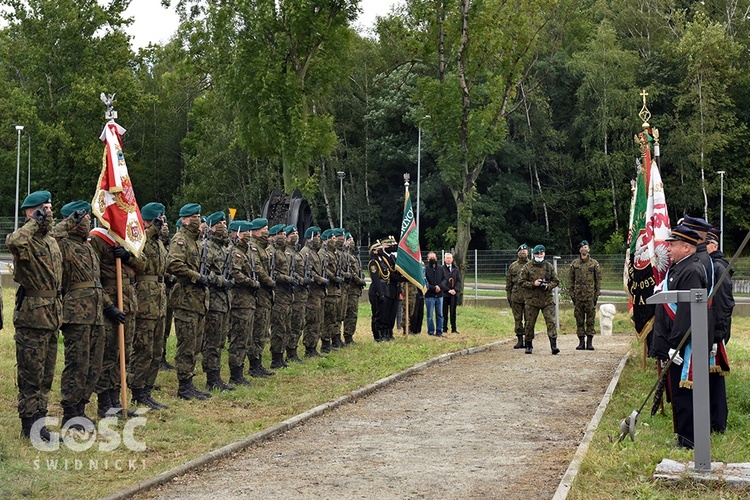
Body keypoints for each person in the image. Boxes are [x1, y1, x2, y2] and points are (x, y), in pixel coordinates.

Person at [51, 201, 119, 427]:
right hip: (76, 314)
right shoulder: (62, 244)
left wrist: (109, 306)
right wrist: (69, 221)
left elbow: (96, 283)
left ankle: (81, 406)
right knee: (77, 364)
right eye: (82, 218)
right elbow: (51, 234)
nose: (88, 220)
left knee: (94, 364)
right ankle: (70, 411)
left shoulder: (89, 247)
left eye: (88, 217)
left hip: (96, 312)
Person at [6, 190, 62, 441]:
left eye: (50, 208)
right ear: (31, 212)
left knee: (46, 374)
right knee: (31, 374)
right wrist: (33, 222)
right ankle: (29, 425)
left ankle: (40, 420)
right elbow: (14, 241)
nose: (48, 213)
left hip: (51, 314)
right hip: (32, 316)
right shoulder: (26, 239)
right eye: (43, 209)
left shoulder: (49, 240)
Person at [650, 225, 706, 448]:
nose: (669, 249)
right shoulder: (679, 268)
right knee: (678, 393)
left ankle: (688, 440)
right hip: (674, 341)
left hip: (683, 344)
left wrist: (676, 344)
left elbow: (687, 311)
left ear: (687, 247)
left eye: (672, 245)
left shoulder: (691, 270)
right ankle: (683, 436)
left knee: (685, 393)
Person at [90, 216, 146, 416]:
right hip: (111, 304)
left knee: (125, 353)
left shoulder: (125, 237)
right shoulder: (96, 239)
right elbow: (93, 277)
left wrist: (128, 257)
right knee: (109, 354)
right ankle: (105, 403)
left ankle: (117, 400)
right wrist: (108, 306)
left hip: (128, 303)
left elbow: (143, 264)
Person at [166, 202, 212, 400]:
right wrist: (196, 276)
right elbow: (173, 264)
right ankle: (184, 386)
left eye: (200, 216)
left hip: (197, 300)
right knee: (186, 345)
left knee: (195, 344)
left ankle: (190, 383)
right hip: (185, 299)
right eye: (195, 216)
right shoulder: (181, 240)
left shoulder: (196, 241)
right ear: (185, 219)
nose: (199, 219)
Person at [201, 211, 235, 391]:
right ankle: (211, 378)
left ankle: (217, 376)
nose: (223, 224)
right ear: (212, 226)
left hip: (224, 300)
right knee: (212, 340)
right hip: (213, 299)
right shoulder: (207, 246)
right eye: (220, 222)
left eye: (224, 221)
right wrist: (221, 280)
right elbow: (204, 273)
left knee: (221, 340)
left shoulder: (223, 247)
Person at [706, 226, 732, 433]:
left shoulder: (718, 268)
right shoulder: (711, 265)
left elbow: (723, 305)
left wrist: (717, 336)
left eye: (705, 243)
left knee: (715, 380)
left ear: (714, 245)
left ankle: (718, 424)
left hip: (716, 332)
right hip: (712, 331)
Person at [226, 220, 257, 386]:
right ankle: (235, 374)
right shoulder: (235, 253)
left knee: (245, 338)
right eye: (246, 233)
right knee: (239, 338)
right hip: (240, 301)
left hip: (248, 301)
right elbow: (236, 274)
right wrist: (252, 282)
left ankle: (240, 371)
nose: (248, 236)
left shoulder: (246, 252)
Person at [519, 245, 560, 355]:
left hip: (547, 300)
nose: (539, 256)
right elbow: (521, 282)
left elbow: (556, 281)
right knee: (529, 324)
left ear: (544, 254)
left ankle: (554, 345)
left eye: (541, 254)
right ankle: (528, 345)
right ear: (534, 255)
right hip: (532, 300)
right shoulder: (528, 267)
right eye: (537, 254)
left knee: (551, 322)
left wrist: (548, 285)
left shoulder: (549, 266)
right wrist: (533, 284)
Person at [248, 217, 276, 377]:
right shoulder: (254, 248)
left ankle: (258, 364)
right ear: (257, 231)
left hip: (265, 295)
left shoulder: (262, 247)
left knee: (263, 332)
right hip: (259, 294)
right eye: (265, 228)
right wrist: (269, 281)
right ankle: (254, 365)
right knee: (257, 332)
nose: (267, 231)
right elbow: (257, 268)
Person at [569, 240, 602, 350]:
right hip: (578, 296)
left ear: (589, 249)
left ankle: (590, 342)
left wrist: (596, 295)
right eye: (582, 247)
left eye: (586, 247)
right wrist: (572, 295)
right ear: (579, 250)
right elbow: (571, 281)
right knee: (579, 320)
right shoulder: (574, 264)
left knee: (590, 320)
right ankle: (581, 342)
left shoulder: (594, 264)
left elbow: (598, 281)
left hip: (590, 296)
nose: (584, 249)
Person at [268, 223, 294, 369]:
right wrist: (286, 279)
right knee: (279, 328)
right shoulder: (271, 251)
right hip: (278, 295)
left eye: (285, 234)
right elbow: (273, 273)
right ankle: (276, 358)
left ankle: (281, 356)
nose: (284, 236)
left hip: (287, 295)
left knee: (286, 327)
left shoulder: (283, 252)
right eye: (281, 234)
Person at [301, 226, 326, 356]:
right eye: (316, 236)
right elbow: (308, 271)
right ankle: (309, 348)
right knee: (312, 321)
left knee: (318, 321)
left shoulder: (315, 252)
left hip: (319, 293)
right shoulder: (306, 252)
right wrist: (319, 279)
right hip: (312, 292)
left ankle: (313, 346)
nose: (318, 239)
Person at [286, 225, 306, 361]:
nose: (295, 235)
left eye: (296, 232)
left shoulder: (296, 252)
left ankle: (293, 351)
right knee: (292, 324)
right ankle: (290, 352)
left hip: (301, 294)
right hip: (293, 293)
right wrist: (300, 279)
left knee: (299, 323)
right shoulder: (287, 253)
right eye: (292, 233)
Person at [343, 232, 366, 344]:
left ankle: (350, 335)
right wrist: (359, 280)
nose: (352, 241)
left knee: (353, 314)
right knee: (349, 313)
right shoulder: (345, 255)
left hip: (355, 290)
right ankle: (347, 336)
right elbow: (350, 272)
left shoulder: (353, 256)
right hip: (350, 289)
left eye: (352, 239)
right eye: (349, 239)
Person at [319, 229, 341, 352]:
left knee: (334, 318)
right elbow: (324, 269)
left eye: (334, 238)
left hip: (335, 291)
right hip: (329, 291)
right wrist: (333, 277)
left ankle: (333, 340)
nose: (334, 240)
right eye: (331, 238)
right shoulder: (323, 253)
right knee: (328, 319)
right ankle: (326, 343)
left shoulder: (334, 253)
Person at [506, 244, 529, 348]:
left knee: (529, 319)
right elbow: (508, 284)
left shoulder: (531, 265)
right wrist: (509, 297)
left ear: (528, 253)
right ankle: (520, 339)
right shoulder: (513, 266)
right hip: (516, 296)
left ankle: (528, 340)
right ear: (518, 253)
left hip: (529, 296)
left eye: (524, 251)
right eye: (521, 251)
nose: (523, 252)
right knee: (517, 319)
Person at [367, 240, 386, 341]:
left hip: (382, 289)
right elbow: (376, 279)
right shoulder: (373, 263)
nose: (381, 250)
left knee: (382, 313)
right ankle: (376, 334)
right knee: (377, 314)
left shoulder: (380, 260)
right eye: (379, 249)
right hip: (376, 291)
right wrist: (381, 293)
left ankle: (382, 332)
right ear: (374, 251)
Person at [424, 251, 446, 336]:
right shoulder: (425, 269)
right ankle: (430, 331)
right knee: (430, 314)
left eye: (434, 258)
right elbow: (425, 282)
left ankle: (439, 331)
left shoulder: (441, 268)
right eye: (431, 258)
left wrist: (440, 287)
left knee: (440, 314)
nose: (433, 259)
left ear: (436, 258)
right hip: (430, 295)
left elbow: (445, 279)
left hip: (439, 295)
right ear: (428, 259)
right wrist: (434, 288)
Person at [442, 252, 461, 334]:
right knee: (444, 312)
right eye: (447, 258)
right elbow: (441, 282)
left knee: (453, 312)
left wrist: (455, 290)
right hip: (445, 294)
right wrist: (448, 290)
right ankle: (444, 328)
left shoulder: (456, 269)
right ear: (444, 259)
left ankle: (454, 328)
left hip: (453, 294)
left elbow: (459, 281)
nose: (448, 259)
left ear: (452, 259)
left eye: (450, 258)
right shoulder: (441, 269)